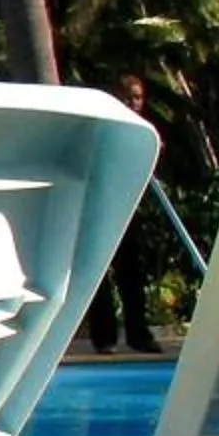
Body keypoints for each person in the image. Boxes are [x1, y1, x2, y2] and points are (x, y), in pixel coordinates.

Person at [87, 74, 165, 354]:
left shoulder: (144, 131)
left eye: (137, 97)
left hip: (128, 209)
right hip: (100, 208)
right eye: (128, 97)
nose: (133, 103)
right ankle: (104, 337)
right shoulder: (104, 127)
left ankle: (138, 334)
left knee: (132, 274)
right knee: (99, 275)